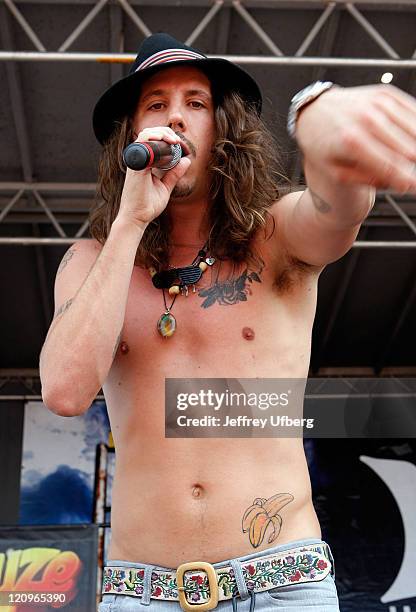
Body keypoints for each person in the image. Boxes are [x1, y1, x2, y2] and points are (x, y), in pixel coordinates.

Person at [39, 33, 416, 612]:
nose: (177, 118)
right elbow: (65, 391)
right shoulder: (93, 261)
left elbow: (340, 209)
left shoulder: (275, 235)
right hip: (143, 591)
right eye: (157, 104)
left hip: (281, 581)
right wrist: (130, 222)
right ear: (132, 136)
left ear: (224, 129)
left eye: (196, 102)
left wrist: (319, 117)